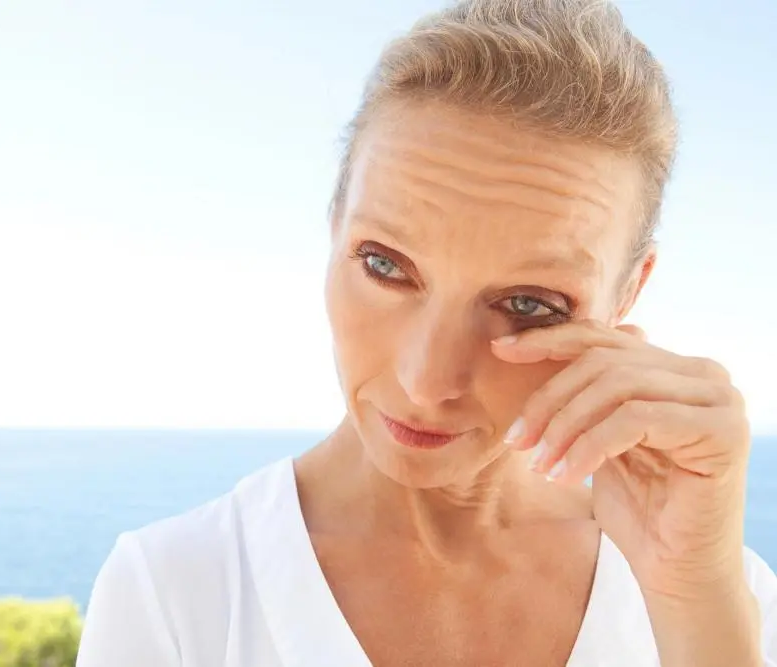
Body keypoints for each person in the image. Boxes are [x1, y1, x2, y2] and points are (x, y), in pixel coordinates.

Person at [76, 0, 777, 664]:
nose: (426, 380)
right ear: (334, 227)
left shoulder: (714, 590)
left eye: (529, 304)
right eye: (384, 265)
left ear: (629, 293)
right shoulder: (175, 592)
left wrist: (696, 604)